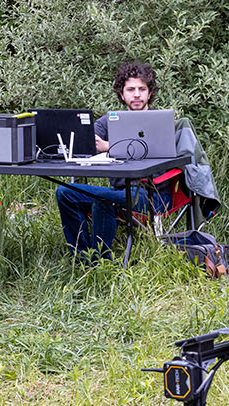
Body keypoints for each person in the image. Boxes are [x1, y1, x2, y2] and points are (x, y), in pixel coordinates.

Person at [55, 60, 169, 262]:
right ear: (121, 94)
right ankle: (83, 259)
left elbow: (153, 149)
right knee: (64, 192)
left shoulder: (160, 121)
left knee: (103, 200)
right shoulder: (110, 120)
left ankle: (100, 262)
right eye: (130, 89)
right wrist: (83, 140)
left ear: (150, 93)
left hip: (149, 195)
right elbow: (87, 139)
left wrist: (110, 147)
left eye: (142, 89)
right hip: (118, 192)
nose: (136, 94)